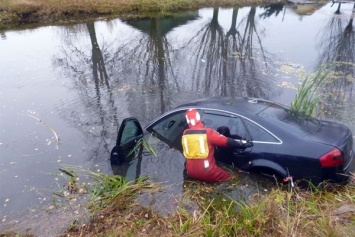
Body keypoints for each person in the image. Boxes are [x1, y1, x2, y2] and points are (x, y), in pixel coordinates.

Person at [181, 108, 253, 182]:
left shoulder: (185, 133)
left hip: (190, 171)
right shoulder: (207, 133)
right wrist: (242, 144)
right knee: (231, 179)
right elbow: (225, 142)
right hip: (207, 171)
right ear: (198, 117)